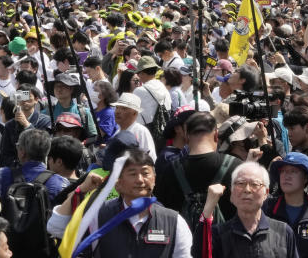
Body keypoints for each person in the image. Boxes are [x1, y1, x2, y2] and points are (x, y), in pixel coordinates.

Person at [47, 148, 192, 257]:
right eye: (133, 174)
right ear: (118, 183)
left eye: (145, 173)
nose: (140, 180)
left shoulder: (173, 221)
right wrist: (81, 190)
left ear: (154, 179)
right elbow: (56, 228)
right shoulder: (99, 214)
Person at [154, 111, 242, 226]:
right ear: (216, 135)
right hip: (225, 241)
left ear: (186, 136)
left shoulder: (170, 169)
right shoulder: (236, 167)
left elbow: (161, 211)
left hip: (184, 242)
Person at [200, 161, 299, 258]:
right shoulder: (217, 234)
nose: (247, 189)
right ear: (232, 192)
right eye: (240, 183)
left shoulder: (283, 232)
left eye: (255, 184)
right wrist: (208, 208)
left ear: (266, 193)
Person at [111, 92, 157, 160]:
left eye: (124, 108)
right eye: (117, 108)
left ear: (135, 113)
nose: (118, 111)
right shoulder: (117, 133)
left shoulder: (141, 131)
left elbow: (150, 158)